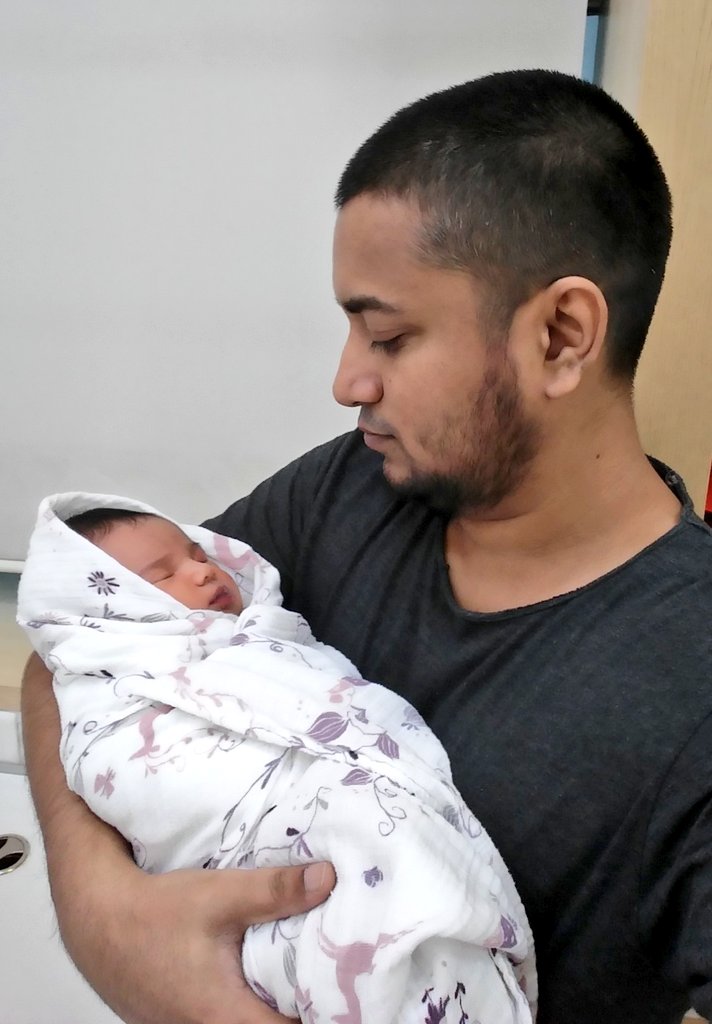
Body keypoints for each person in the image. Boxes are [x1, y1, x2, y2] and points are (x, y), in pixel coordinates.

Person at [21, 68, 712, 1024]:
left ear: (561, 335)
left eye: (387, 337)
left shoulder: (690, 685)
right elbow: (82, 643)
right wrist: (102, 911)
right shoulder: (349, 487)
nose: (348, 382)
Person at [18, 494, 536, 1024]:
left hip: (355, 810)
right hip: (266, 848)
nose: (202, 570)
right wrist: (101, 913)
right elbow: (116, 753)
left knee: (398, 864)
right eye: (162, 575)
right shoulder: (117, 684)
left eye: (199, 554)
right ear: (110, 611)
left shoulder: (258, 632)